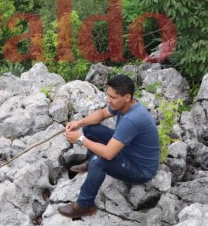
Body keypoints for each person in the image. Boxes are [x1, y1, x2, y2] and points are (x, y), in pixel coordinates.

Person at [58, 74, 160, 218]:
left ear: (127, 97)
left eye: (113, 97)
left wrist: (80, 140)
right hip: (128, 149)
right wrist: (79, 123)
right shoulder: (125, 104)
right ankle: (90, 163)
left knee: (98, 161)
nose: (108, 100)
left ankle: (84, 205)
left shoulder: (132, 119)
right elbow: (101, 114)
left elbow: (108, 154)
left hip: (141, 169)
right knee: (89, 128)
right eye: (108, 96)